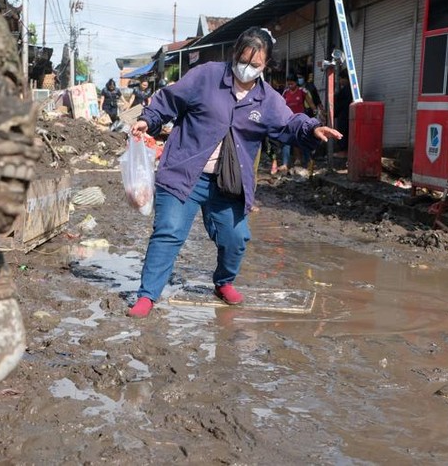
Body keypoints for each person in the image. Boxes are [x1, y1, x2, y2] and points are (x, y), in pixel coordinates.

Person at [127, 27, 342, 318]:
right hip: (183, 174)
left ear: (265, 66)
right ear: (235, 54)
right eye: (244, 60)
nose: (248, 68)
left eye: (256, 65)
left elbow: (290, 124)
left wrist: (312, 128)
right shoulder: (206, 77)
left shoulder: (267, 99)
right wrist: (147, 120)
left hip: (227, 184)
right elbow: (168, 101)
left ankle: (224, 282)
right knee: (169, 232)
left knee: (236, 238)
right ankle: (147, 296)